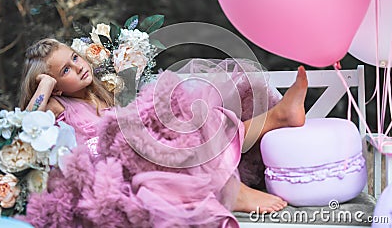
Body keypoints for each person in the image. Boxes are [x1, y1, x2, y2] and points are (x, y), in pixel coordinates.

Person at [19, 38, 308, 225]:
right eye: (65, 70)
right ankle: (233, 191)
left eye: (75, 58)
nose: (78, 67)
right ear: (54, 85)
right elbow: (26, 122)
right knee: (169, 155)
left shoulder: (102, 98)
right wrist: (44, 85)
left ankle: (278, 116)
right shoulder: (57, 105)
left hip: (133, 159)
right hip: (109, 176)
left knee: (191, 128)